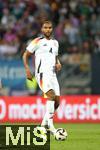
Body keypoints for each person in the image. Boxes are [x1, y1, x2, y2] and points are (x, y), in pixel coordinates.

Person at [23, 20, 62, 134]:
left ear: (52, 29)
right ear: (42, 29)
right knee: (51, 95)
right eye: (45, 27)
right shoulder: (37, 41)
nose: (48, 29)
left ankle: (42, 125)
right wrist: (27, 69)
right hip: (42, 74)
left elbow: (55, 57)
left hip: (53, 75)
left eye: (50, 27)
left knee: (57, 102)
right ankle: (50, 126)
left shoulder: (55, 43)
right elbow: (25, 55)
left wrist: (58, 63)